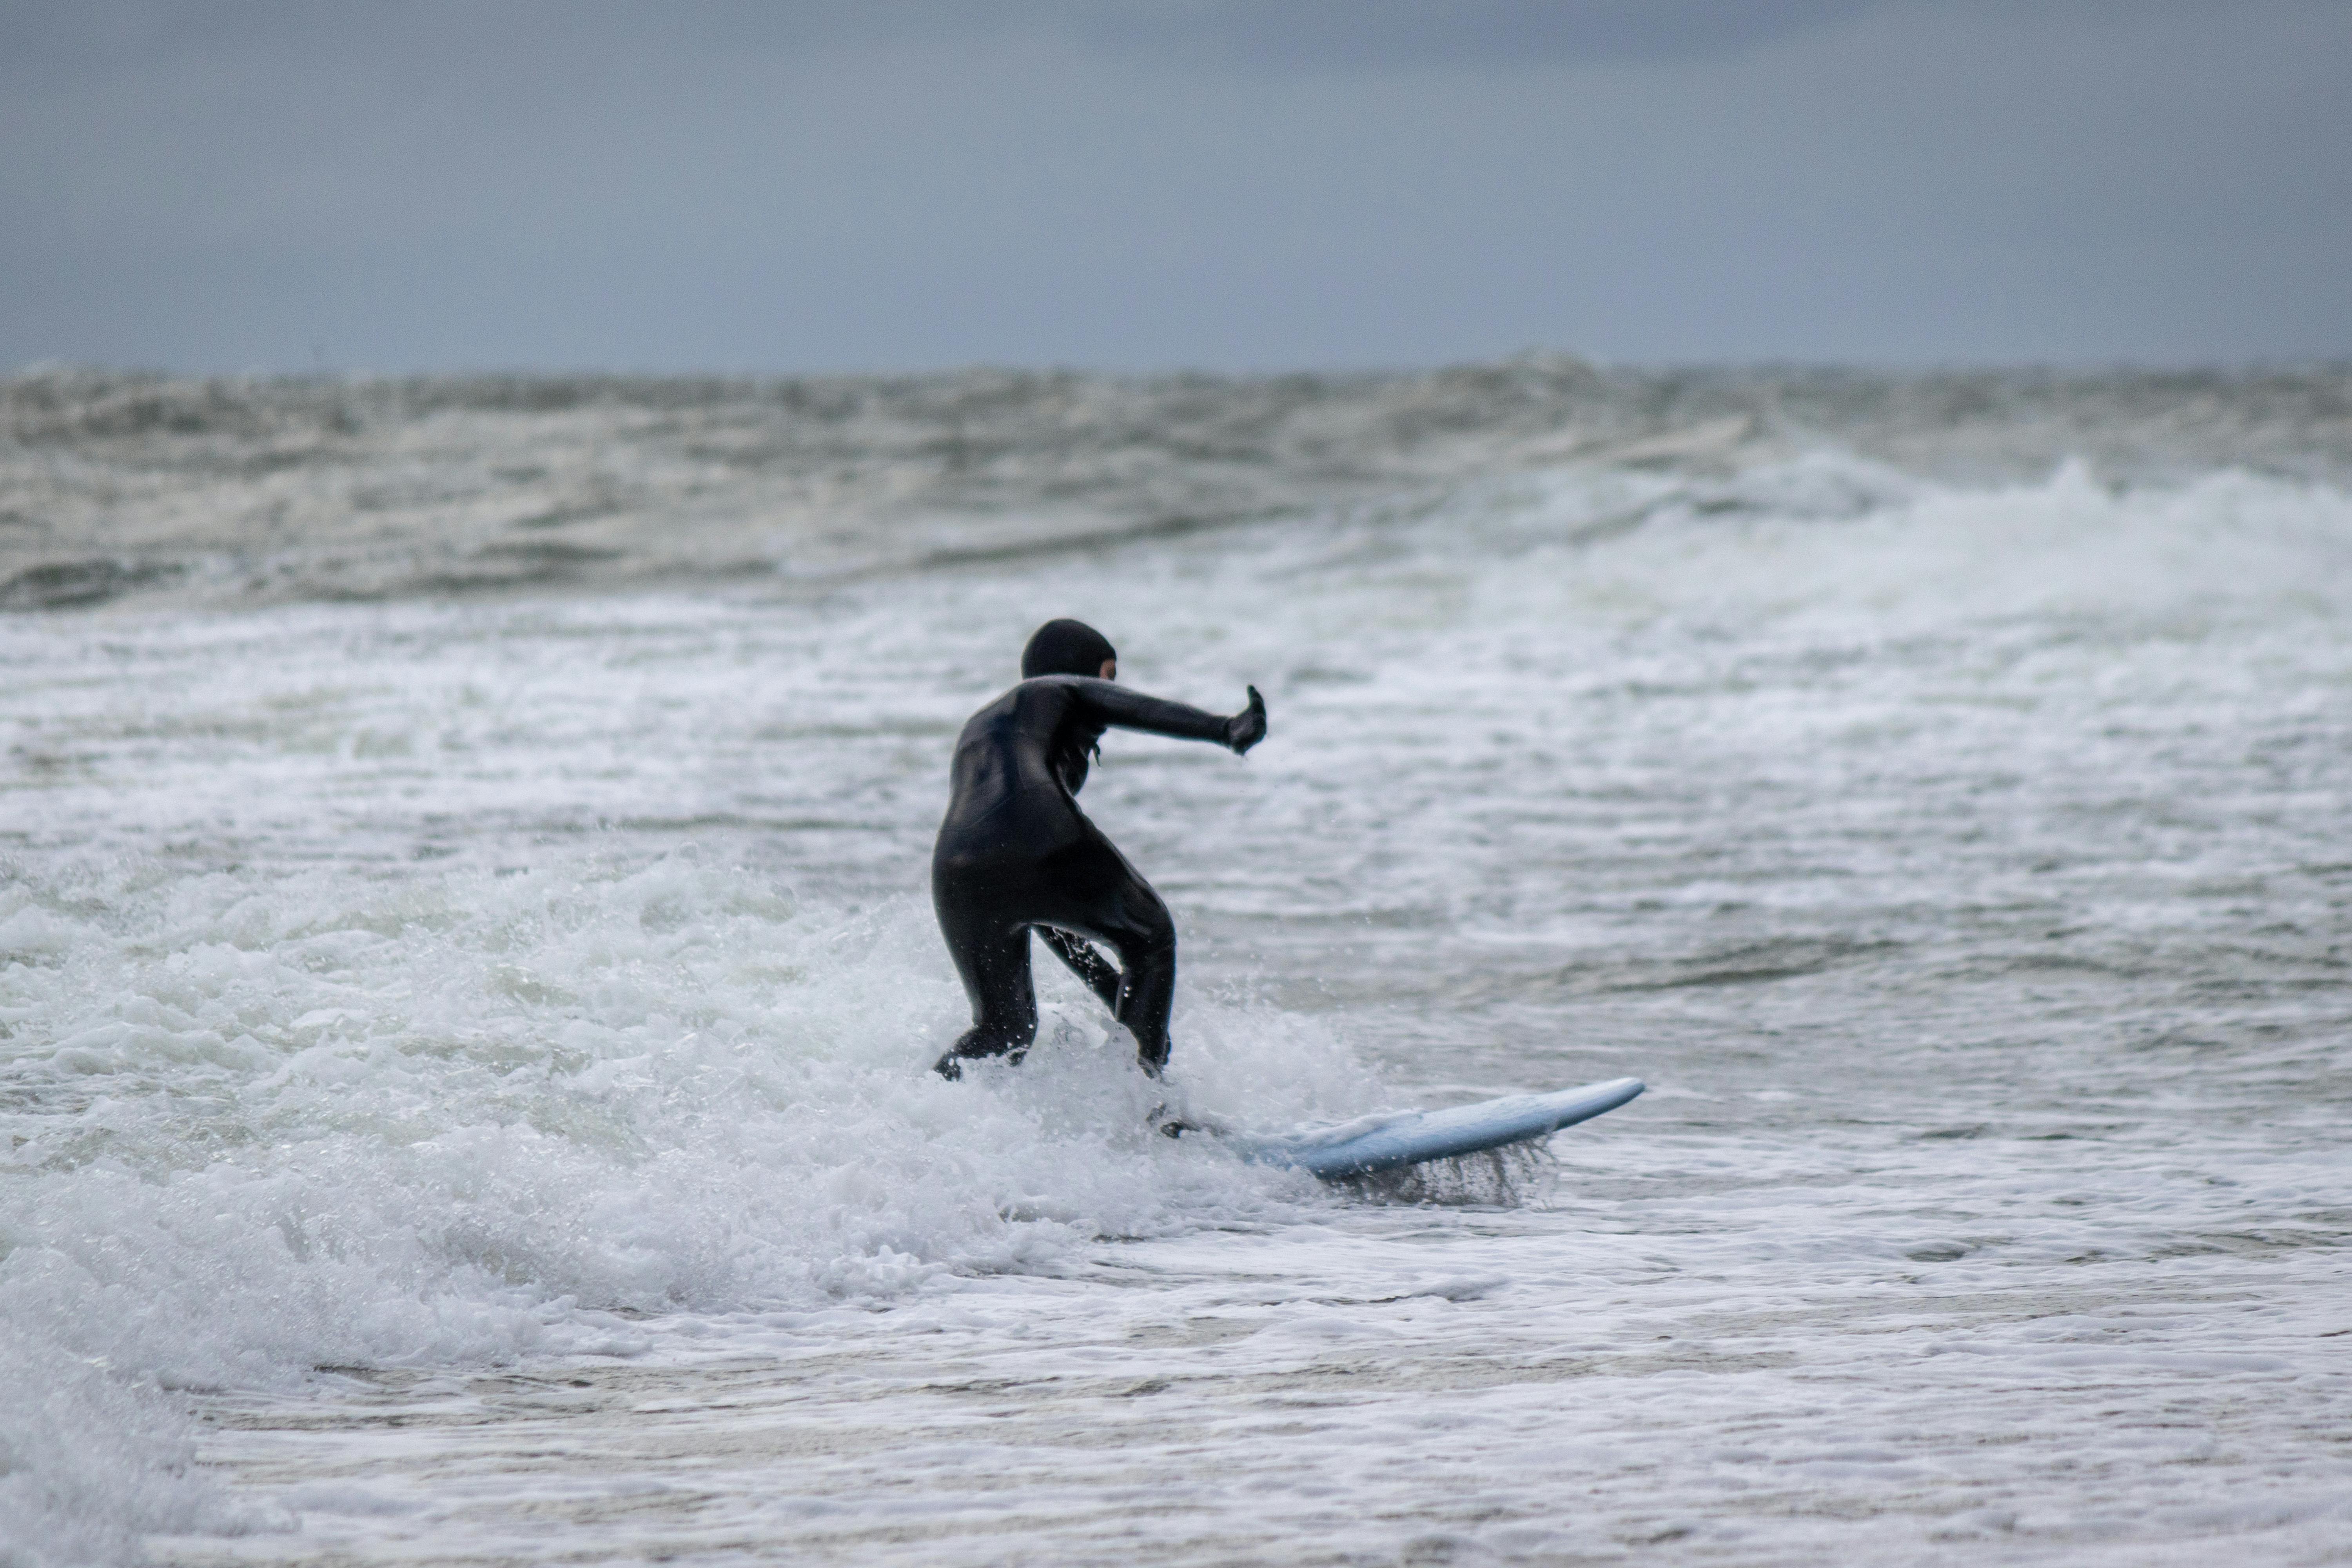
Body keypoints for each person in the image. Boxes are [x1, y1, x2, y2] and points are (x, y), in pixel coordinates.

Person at [931, 618, 1267, 1080]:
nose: (1112, 689)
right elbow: (1137, 708)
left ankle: (916, 1119)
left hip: (956, 867)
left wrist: (1120, 996)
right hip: (1036, 829)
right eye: (1109, 675)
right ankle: (1147, 1111)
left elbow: (1048, 909)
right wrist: (1224, 728)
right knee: (1152, 937)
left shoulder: (988, 729)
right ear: (1082, 672)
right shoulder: (1056, 688)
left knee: (1004, 1030)